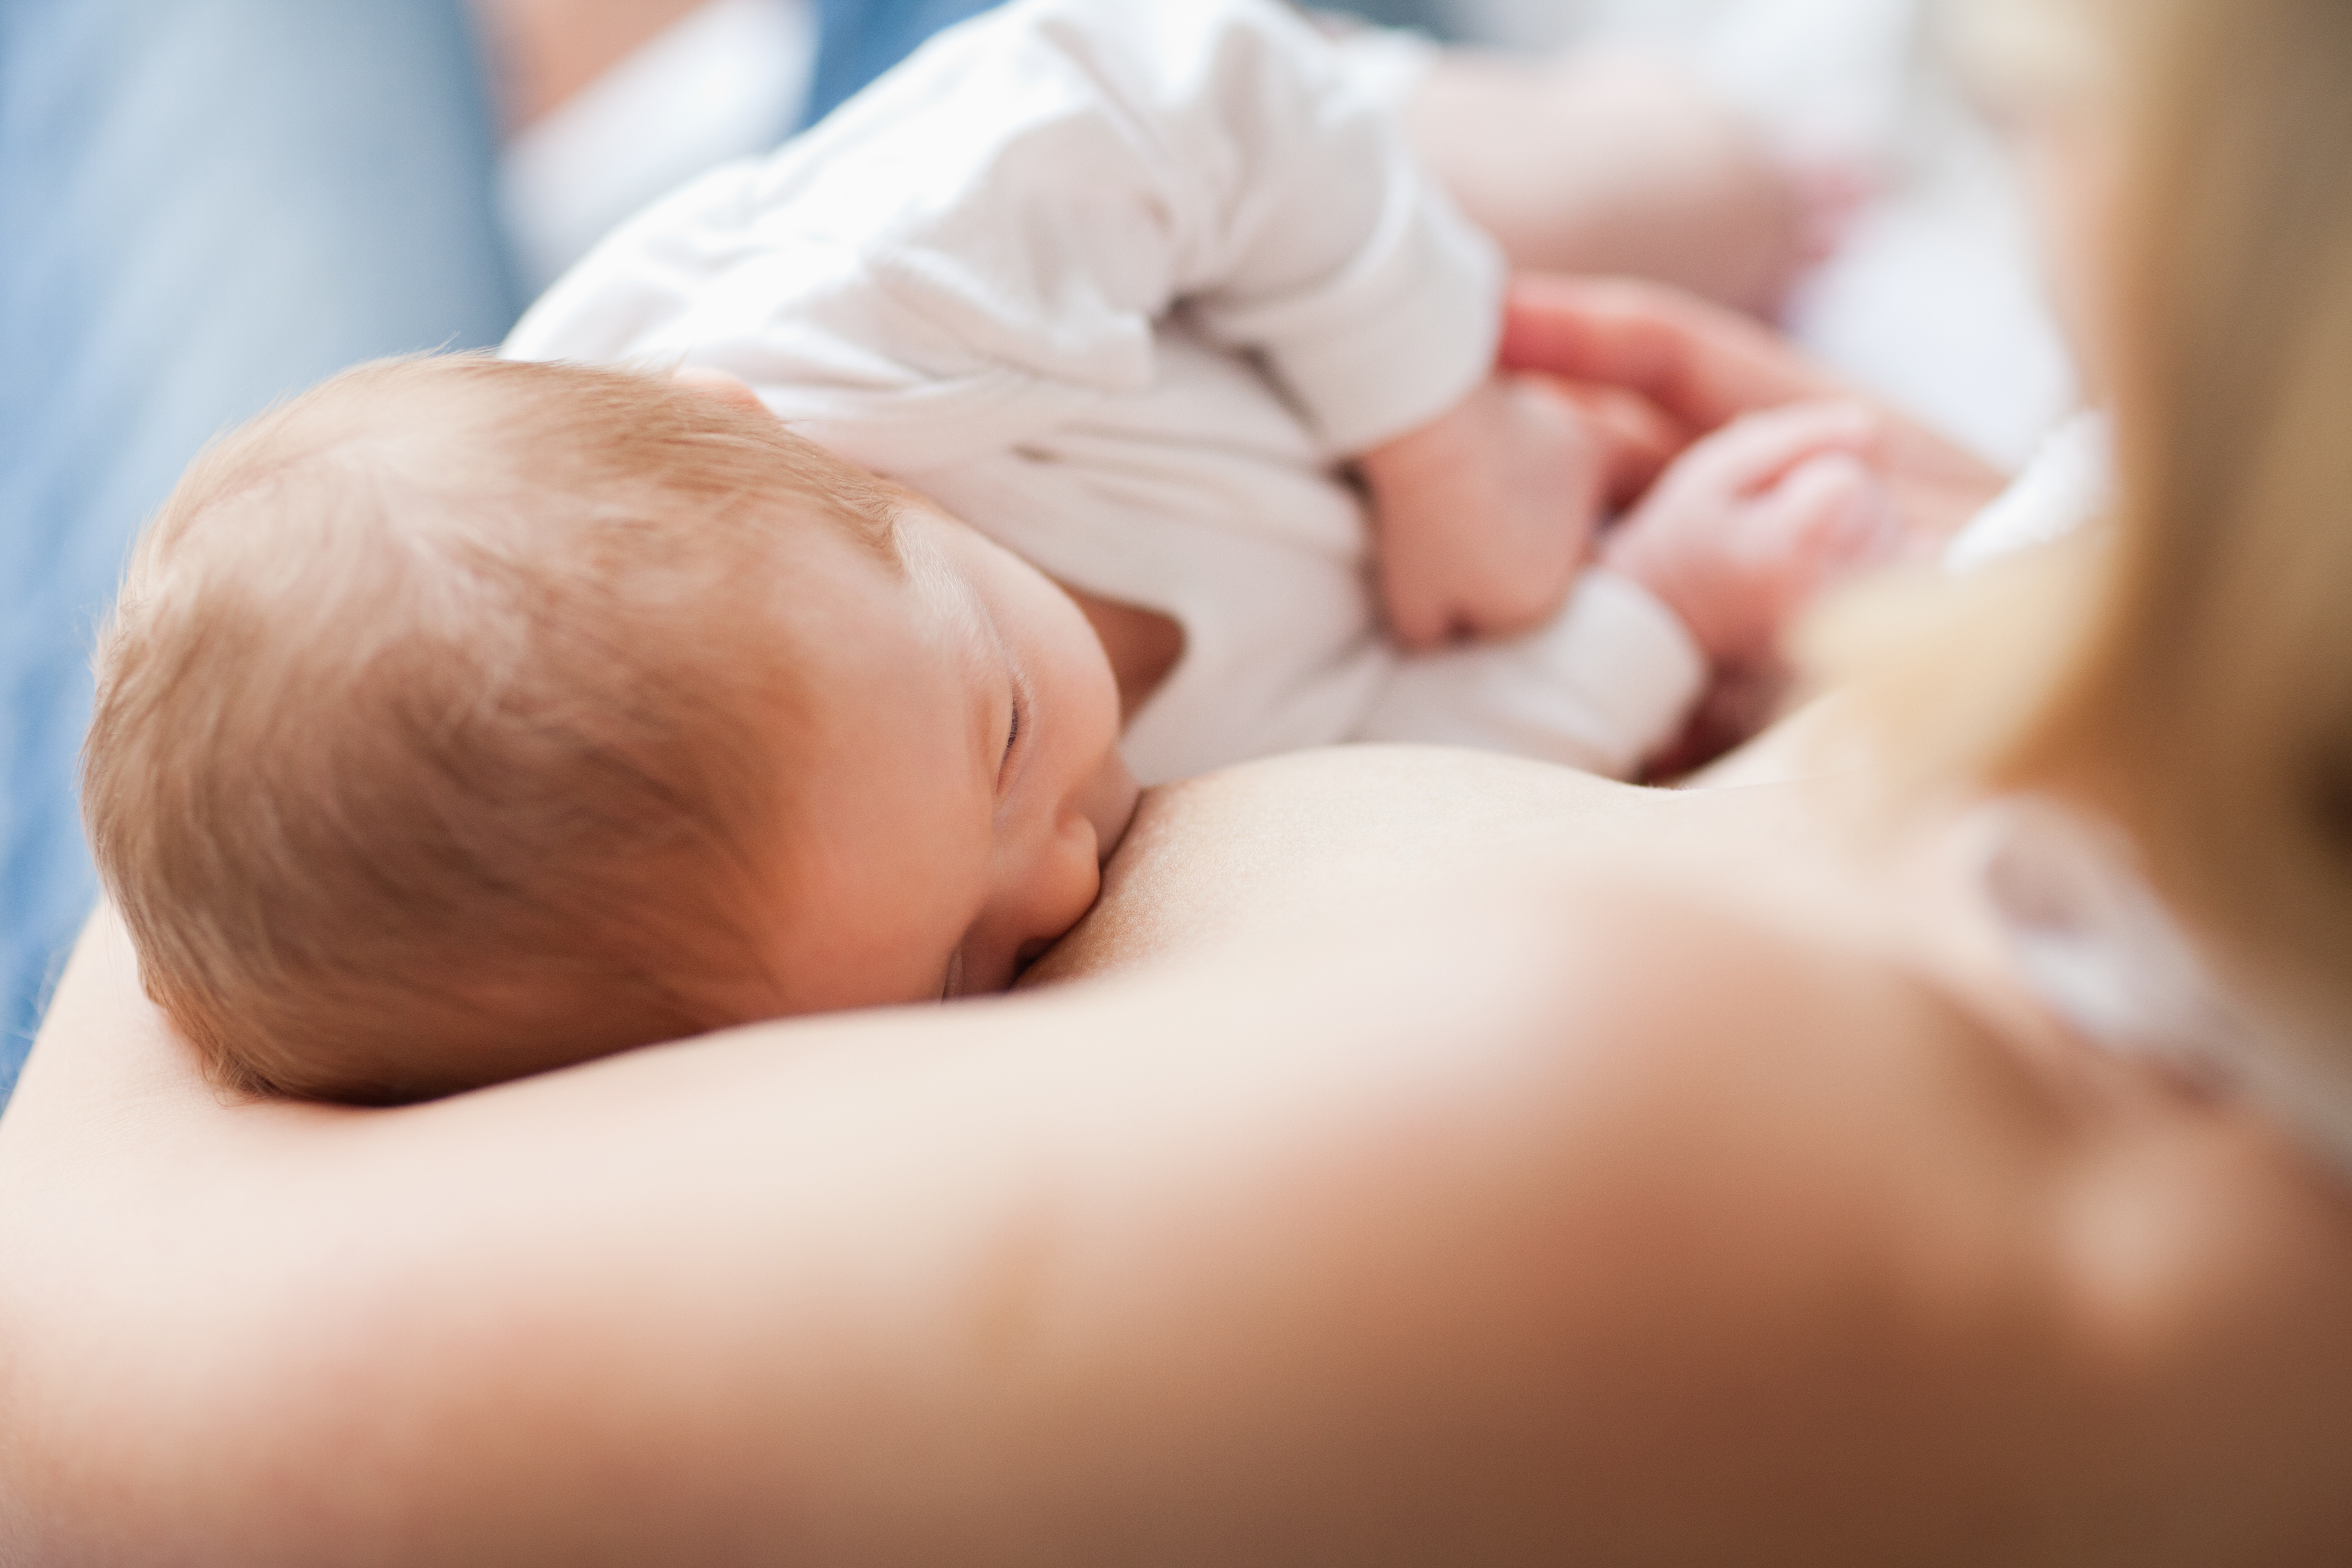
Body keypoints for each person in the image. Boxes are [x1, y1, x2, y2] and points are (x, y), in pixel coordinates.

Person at [12, 0, 2352, 1560]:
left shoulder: (1760, 1130)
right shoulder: (2158, 824)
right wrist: (2003, 568)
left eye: (2073, 100)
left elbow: (74, 1366)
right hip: (1186, 399)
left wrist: (483, 535)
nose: (1065, 857)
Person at [80, 0, 1890, 1104]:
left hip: (1261, 212)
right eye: (959, 969)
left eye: (1009, 739)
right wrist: (1656, 618)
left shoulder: (849, 328)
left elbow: (1184, 91)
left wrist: (1438, 431)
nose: (1055, 886)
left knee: (1674, 192)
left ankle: (1651, 123)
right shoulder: (922, 837)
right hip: (1301, 408)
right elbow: (1430, 761)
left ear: (760, 436)